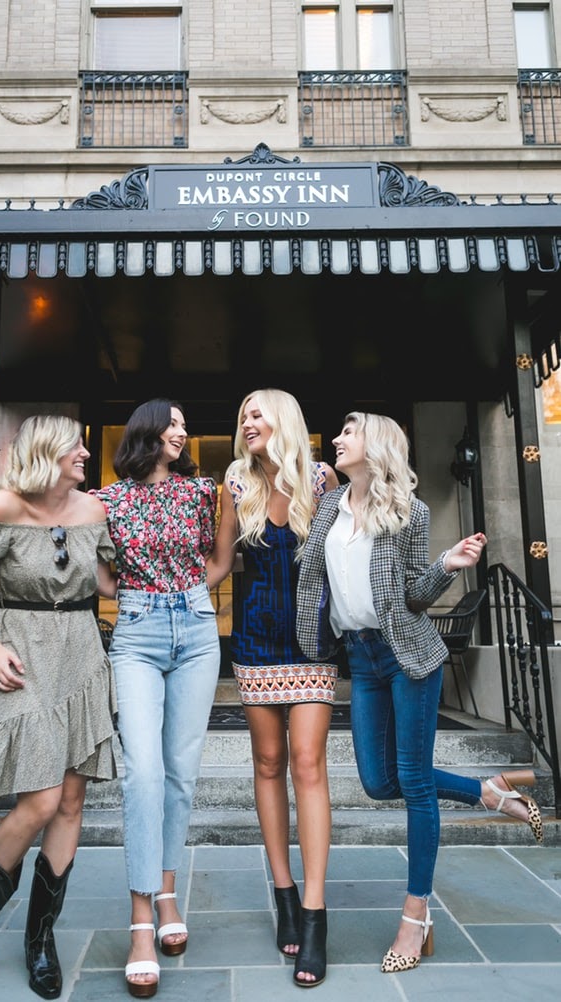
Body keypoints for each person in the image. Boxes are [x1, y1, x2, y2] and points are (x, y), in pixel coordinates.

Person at [296, 410, 544, 975]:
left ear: (375, 444)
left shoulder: (409, 511)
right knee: (378, 781)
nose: (336, 438)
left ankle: (416, 916)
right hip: (358, 656)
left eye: (348, 432)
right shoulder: (330, 507)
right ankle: (486, 790)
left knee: (412, 778)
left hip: (407, 655)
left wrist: (446, 566)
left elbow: (411, 597)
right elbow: (311, 573)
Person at [0, 414, 118, 1000]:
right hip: (21, 652)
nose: (87, 454)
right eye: (78, 445)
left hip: (81, 653)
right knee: (39, 797)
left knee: (70, 799)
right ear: (48, 450)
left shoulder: (94, 512)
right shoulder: (3, 507)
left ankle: (39, 940)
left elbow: (108, 582)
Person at [206, 388, 339, 989]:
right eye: (242, 416)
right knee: (267, 762)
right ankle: (282, 891)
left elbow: (352, 553)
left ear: (282, 420)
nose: (246, 422)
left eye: (256, 413)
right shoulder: (234, 485)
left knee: (308, 764)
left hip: (313, 644)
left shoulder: (323, 479)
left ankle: (314, 914)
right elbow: (216, 568)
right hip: (256, 644)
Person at [92, 398, 221, 999]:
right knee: (141, 772)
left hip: (196, 628)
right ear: (148, 429)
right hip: (138, 633)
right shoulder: (108, 501)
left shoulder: (200, 493)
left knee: (180, 776)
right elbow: (92, 565)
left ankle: (168, 892)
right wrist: (132, 596)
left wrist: (186, 593)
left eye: (185, 426)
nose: (183, 432)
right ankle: (142, 920)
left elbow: (217, 561)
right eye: (174, 423)